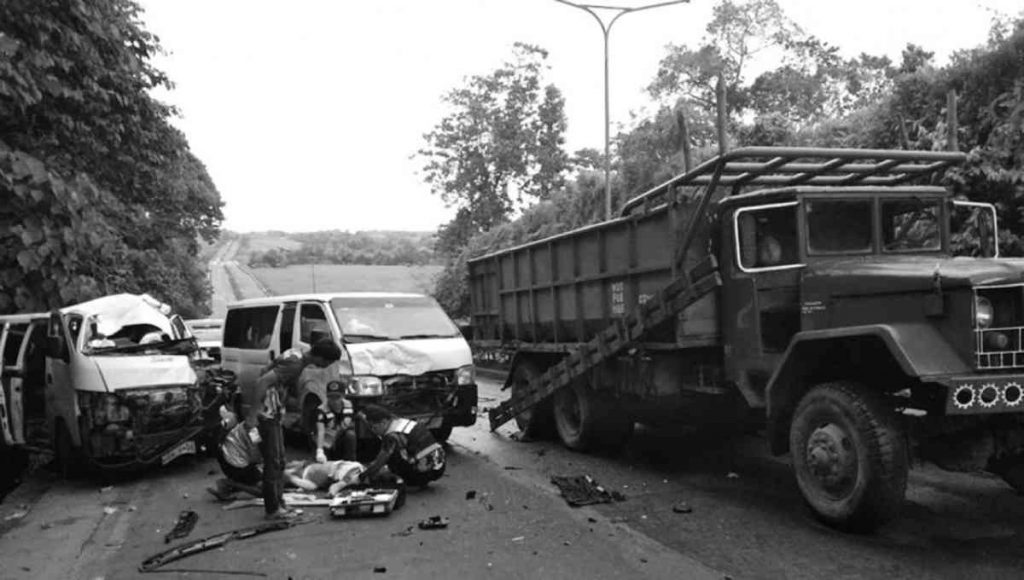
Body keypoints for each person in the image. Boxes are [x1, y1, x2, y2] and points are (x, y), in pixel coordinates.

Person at [241, 337, 342, 520]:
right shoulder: (295, 364)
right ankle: (273, 509)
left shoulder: (296, 354)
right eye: (327, 362)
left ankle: (279, 504)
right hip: (268, 414)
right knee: (274, 462)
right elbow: (263, 382)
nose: (326, 366)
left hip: (274, 412)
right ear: (321, 358)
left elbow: (267, 372)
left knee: (279, 461)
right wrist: (253, 415)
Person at [358, 404, 445, 488]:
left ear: (383, 422)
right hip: (439, 466)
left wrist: (364, 475)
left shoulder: (391, 435)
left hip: (426, 472)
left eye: (374, 427)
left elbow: (380, 461)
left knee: (391, 458)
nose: (373, 431)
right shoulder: (399, 421)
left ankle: (412, 482)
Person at [207, 421, 262, 502]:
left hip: (228, 461)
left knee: (264, 481)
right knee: (267, 492)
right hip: (235, 465)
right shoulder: (253, 430)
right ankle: (228, 483)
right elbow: (256, 457)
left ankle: (231, 485)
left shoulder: (244, 424)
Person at [316, 381, 356, 463]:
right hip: (326, 442)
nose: (334, 401)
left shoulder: (349, 405)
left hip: (340, 439)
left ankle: (350, 463)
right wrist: (319, 451)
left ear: (343, 396)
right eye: (331, 397)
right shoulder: (321, 410)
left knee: (350, 435)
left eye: (337, 397)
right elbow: (321, 431)